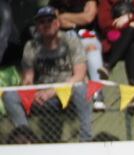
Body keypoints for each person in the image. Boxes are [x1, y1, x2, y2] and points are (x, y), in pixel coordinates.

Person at [1, 6, 92, 142]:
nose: (46, 24)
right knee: (10, 96)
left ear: (57, 23)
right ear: (37, 26)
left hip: (66, 95)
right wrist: (30, 91)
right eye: (42, 22)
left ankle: (86, 140)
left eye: (50, 20)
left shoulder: (70, 40)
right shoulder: (31, 46)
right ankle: (26, 138)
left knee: (81, 88)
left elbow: (79, 74)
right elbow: (28, 79)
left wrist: (51, 91)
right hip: (41, 95)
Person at [49, 0, 107, 111]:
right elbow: (57, 22)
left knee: (91, 49)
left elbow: (88, 18)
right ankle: (69, 96)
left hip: (87, 35)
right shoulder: (55, 3)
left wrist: (65, 17)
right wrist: (77, 19)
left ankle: (97, 93)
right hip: (66, 37)